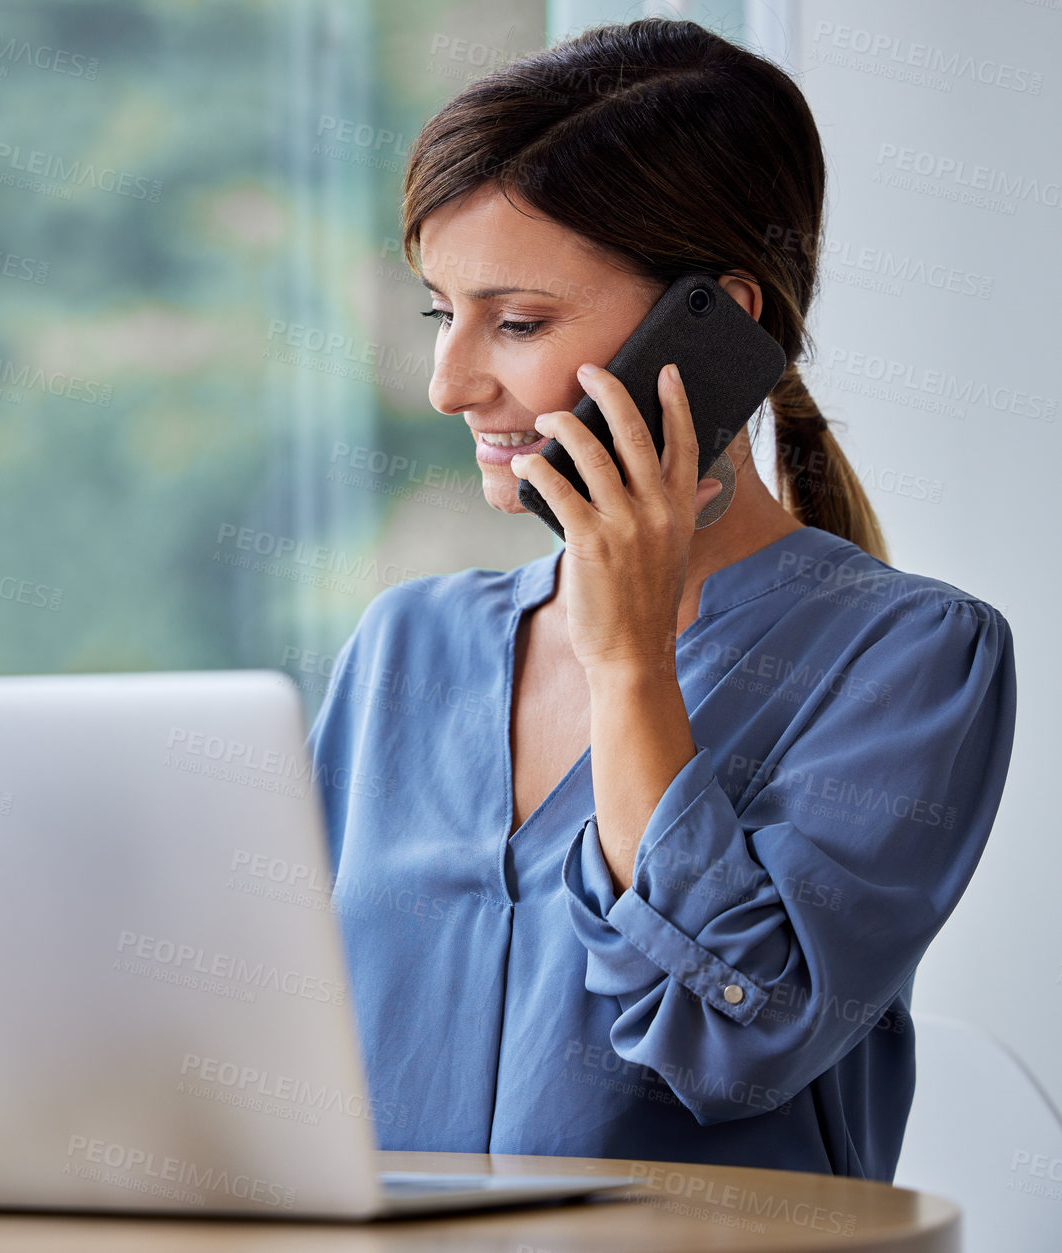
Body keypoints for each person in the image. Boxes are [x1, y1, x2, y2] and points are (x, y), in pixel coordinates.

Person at [306, 18, 1017, 1181]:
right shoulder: (408, 643)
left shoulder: (913, 655)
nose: (449, 384)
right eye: (444, 312)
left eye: (518, 321)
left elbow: (746, 1038)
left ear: (717, 324)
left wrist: (630, 659)